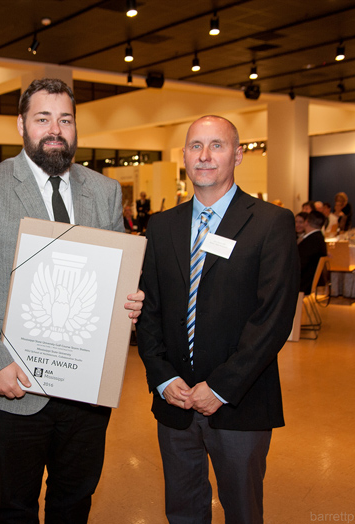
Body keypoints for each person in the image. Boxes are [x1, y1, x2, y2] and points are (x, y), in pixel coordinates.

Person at [0, 78, 144, 524]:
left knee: (74, 503)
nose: (55, 129)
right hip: (10, 388)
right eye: (43, 118)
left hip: (84, 392)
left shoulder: (105, 191)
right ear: (21, 124)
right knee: (14, 506)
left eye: (65, 119)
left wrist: (128, 301)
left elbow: (115, 277)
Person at [136, 115, 299, 524]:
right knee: (183, 511)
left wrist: (222, 387)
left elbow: (273, 319)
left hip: (239, 404)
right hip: (174, 402)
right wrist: (162, 377)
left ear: (238, 155)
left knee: (243, 512)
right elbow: (148, 309)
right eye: (195, 146)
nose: (204, 156)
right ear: (185, 158)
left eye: (217, 145)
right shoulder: (162, 226)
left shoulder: (270, 223)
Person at [298, 211, 328, 294]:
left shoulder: (311, 241)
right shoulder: (318, 238)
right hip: (309, 280)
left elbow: (299, 264)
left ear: (306, 222)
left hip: (303, 282)